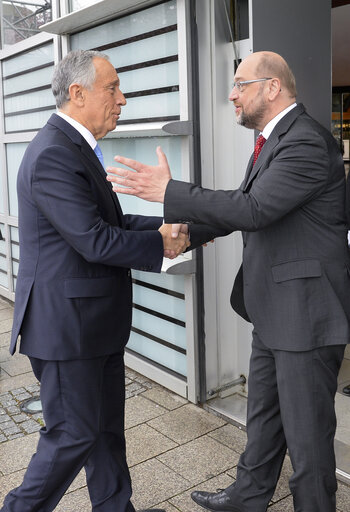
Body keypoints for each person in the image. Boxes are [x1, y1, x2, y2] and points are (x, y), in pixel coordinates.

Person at [106, 51, 350, 512]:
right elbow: (248, 203)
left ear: (272, 88)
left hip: (306, 314)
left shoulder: (306, 143)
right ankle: (248, 496)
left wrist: (170, 192)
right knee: (264, 418)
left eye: (240, 84)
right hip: (273, 308)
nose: (232, 95)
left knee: (308, 439)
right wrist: (187, 236)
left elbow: (252, 211)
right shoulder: (272, 140)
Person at [0, 49, 195, 512]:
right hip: (67, 329)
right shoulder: (52, 153)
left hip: (94, 324)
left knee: (105, 431)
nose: (122, 99)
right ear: (77, 92)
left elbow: (114, 222)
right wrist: (164, 243)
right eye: (113, 88)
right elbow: (94, 240)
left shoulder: (77, 148)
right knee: (73, 435)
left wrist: (182, 228)